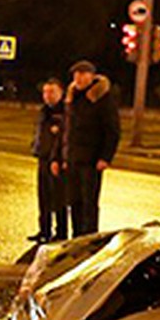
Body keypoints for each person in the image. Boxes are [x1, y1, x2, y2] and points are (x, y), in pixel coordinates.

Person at [61, 59, 120, 236]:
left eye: (82, 74)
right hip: (73, 158)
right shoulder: (73, 98)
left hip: (92, 159)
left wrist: (105, 158)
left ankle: (90, 238)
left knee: (89, 203)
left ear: (91, 76)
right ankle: (77, 237)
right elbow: (68, 130)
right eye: (76, 75)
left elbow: (112, 131)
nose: (78, 78)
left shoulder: (102, 98)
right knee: (74, 201)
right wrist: (65, 156)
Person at [29, 76, 67, 242]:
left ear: (61, 92)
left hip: (56, 161)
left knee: (58, 199)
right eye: (45, 92)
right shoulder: (44, 111)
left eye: (52, 92)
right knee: (43, 197)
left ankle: (61, 233)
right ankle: (44, 230)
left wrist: (58, 159)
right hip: (43, 158)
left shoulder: (64, 112)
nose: (48, 95)